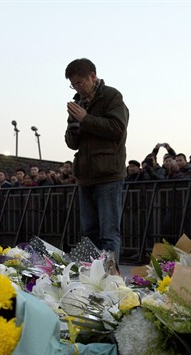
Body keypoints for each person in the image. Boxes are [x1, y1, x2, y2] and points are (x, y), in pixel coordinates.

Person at [65, 57, 128, 263]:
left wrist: (86, 119)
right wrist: (74, 127)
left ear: (93, 76)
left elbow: (117, 128)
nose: (77, 88)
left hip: (108, 174)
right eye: (73, 84)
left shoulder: (111, 96)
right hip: (85, 175)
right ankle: (89, 279)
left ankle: (111, 282)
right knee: (89, 232)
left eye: (80, 83)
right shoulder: (77, 103)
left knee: (108, 233)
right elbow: (71, 143)